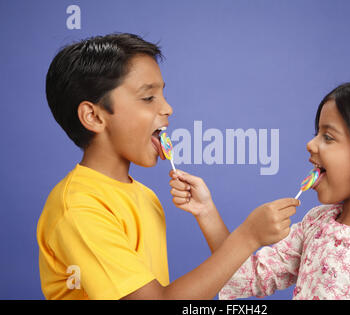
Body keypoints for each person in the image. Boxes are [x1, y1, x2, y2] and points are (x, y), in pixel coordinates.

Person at [36, 33, 300, 300]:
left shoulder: (145, 196)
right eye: (148, 97)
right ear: (93, 116)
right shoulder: (79, 209)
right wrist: (247, 237)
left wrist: (207, 212)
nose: (168, 108)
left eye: (163, 94)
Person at [170, 82, 350, 300]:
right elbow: (244, 275)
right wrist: (206, 211)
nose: (310, 144)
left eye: (328, 137)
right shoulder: (316, 224)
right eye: (317, 133)